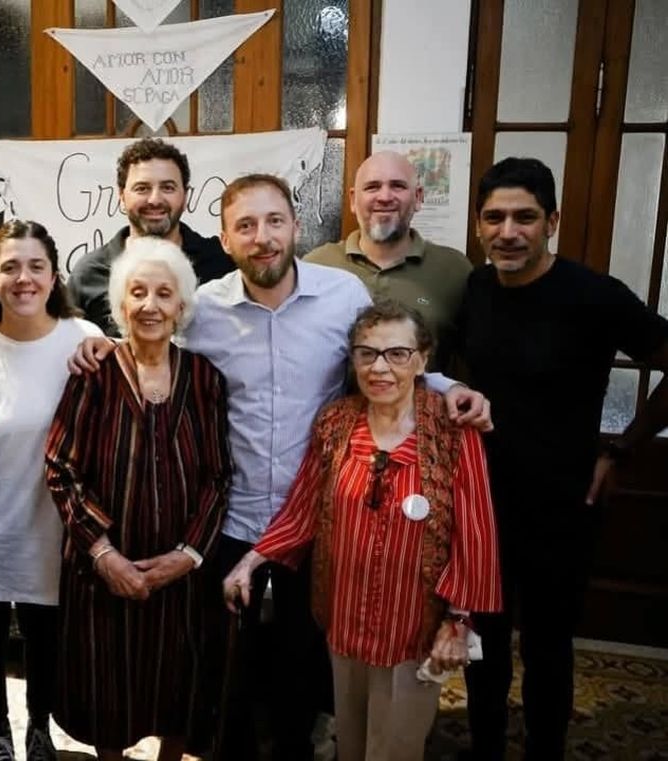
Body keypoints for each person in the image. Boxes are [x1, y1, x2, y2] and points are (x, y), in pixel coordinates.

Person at [70, 173, 492, 759]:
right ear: (224, 237)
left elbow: (387, 353)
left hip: (315, 521)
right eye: (245, 225)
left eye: (274, 221)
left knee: (302, 666)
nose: (262, 237)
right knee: (222, 674)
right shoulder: (205, 308)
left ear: (296, 226)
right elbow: (149, 342)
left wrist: (447, 386)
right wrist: (94, 341)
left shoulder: (342, 296)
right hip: (229, 517)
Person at [224, 300, 502, 761]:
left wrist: (458, 620)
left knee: (396, 746)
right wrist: (251, 561)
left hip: (414, 625)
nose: (380, 368)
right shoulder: (335, 423)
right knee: (350, 740)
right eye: (366, 354)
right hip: (345, 619)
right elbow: (301, 508)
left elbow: (475, 530)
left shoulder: (452, 431)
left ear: (423, 359)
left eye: (397, 354)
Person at [459, 157, 668, 761]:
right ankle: (485, 749)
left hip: (562, 503)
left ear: (552, 221)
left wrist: (623, 448)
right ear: (478, 226)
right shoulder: (476, 288)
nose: (508, 231)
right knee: (485, 646)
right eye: (494, 218)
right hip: (485, 501)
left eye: (524, 217)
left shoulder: (594, 296)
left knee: (547, 648)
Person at [46, 236, 232, 761]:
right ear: (120, 304)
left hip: (181, 575)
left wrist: (188, 554)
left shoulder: (205, 379)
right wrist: (104, 554)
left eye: (164, 294)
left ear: (181, 307)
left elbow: (219, 477)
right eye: (138, 292)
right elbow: (60, 467)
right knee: (111, 685)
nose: (150, 305)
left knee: (180, 680)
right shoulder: (93, 375)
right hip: (103, 569)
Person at [0, 220, 103, 761]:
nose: (23, 278)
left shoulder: (85, 340)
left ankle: (39, 726)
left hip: (56, 519)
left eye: (36, 266)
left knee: (48, 629)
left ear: (53, 276)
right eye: (10, 267)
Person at [304, 150, 472, 371]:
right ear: (353, 200)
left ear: (418, 197)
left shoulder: (455, 270)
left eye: (398, 186)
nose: (384, 197)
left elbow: (472, 361)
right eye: (372, 187)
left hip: (425, 404)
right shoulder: (315, 266)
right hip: (332, 406)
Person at [66, 137, 234, 336]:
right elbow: (68, 347)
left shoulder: (222, 263)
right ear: (121, 196)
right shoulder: (89, 274)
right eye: (142, 188)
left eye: (168, 187)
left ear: (185, 196)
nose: (155, 199)